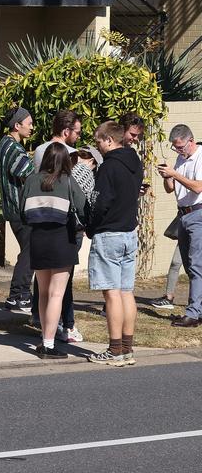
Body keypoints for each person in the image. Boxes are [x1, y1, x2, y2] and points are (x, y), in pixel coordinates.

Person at [86, 121, 144, 366]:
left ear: (109, 140)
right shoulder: (135, 162)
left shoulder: (109, 167)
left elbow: (99, 203)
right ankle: (127, 348)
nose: (98, 146)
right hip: (129, 232)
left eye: (99, 141)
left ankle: (115, 349)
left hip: (109, 233)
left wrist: (90, 225)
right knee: (126, 291)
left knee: (111, 294)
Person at [21, 143, 86, 359]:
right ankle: (49, 344)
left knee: (43, 292)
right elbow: (83, 206)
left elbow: (22, 210)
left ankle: (43, 341)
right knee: (57, 294)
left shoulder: (31, 179)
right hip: (62, 239)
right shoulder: (68, 180)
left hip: (38, 238)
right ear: (65, 160)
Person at [158, 125, 202, 326]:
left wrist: (174, 174)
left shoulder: (200, 157)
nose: (178, 151)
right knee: (189, 264)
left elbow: (198, 187)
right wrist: (167, 177)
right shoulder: (180, 159)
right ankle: (197, 310)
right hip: (183, 215)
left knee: (196, 264)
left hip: (198, 213)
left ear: (190, 141)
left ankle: (193, 313)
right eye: (175, 148)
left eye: (180, 147)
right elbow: (170, 190)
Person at [0, 107, 36, 312]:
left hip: (15, 209)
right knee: (31, 251)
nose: (31, 127)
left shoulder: (6, 144)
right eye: (28, 123)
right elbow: (27, 172)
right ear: (17, 125)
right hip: (20, 209)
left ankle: (19, 295)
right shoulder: (13, 148)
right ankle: (18, 295)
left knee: (29, 250)